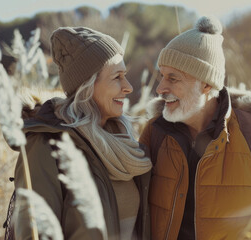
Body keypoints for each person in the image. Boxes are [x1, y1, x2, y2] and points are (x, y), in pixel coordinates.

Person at [139, 16, 251, 239]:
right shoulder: (155, 132)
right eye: (161, 76)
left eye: (173, 78)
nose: (160, 88)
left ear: (206, 83)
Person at [10, 27, 152, 240]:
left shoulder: (123, 140)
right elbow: (34, 233)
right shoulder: (45, 144)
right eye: (117, 77)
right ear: (87, 86)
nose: (128, 87)